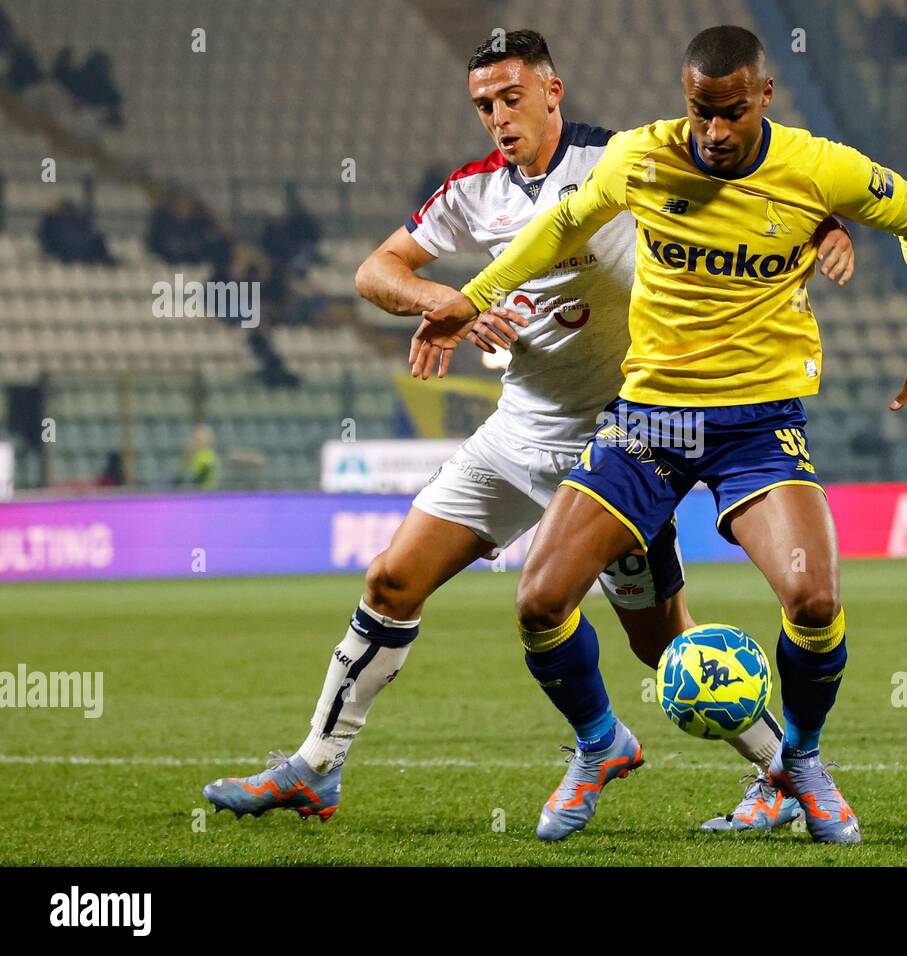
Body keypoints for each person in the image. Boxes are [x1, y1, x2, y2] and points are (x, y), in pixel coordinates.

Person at [201, 29, 855, 831]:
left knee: (663, 648)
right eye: (484, 105)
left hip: (619, 442)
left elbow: (764, 190)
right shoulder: (475, 191)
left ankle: (782, 774)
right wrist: (444, 302)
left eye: (512, 98)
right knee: (391, 582)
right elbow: (376, 271)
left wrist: (828, 227)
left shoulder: (627, 161)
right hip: (515, 436)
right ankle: (317, 764)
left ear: (554, 91)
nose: (498, 118)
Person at [412, 25, 907, 844]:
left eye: (730, 114)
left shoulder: (817, 168)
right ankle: (600, 741)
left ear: (764, 99)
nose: (712, 132)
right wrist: (476, 291)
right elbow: (562, 226)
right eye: (699, 113)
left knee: (814, 600)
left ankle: (799, 765)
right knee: (538, 602)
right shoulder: (642, 155)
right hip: (647, 421)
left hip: (758, 424)